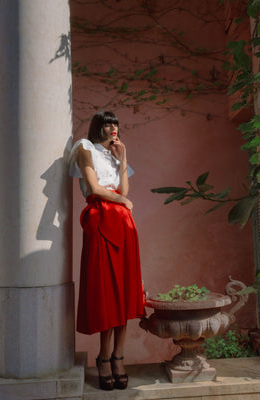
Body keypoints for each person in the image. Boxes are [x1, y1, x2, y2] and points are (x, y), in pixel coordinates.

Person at [69, 111, 145, 391]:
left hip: (124, 223)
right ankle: (103, 357)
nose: (113, 128)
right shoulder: (84, 147)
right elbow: (93, 187)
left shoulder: (115, 156)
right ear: (97, 127)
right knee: (106, 292)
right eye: (107, 123)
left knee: (124, 292)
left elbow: (123, 186)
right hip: (100, 219)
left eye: (116, 124)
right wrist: (122, 199)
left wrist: (123, 159)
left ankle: (117, 356)